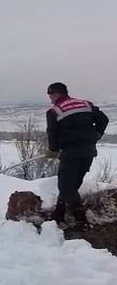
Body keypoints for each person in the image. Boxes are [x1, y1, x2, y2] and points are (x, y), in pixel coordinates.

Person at [46, 82, 109, 227]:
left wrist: (52, 150)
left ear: (56, 94)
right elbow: (104, 120)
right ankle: (58, 214)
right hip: (89, 151)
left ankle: (81, 220)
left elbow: (52, 134)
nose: (50, 99)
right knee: (71, 185)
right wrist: (96, 135)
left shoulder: (55, 111)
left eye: (50, 95)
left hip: (70, 153)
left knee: (66, 186)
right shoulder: (86, 104)